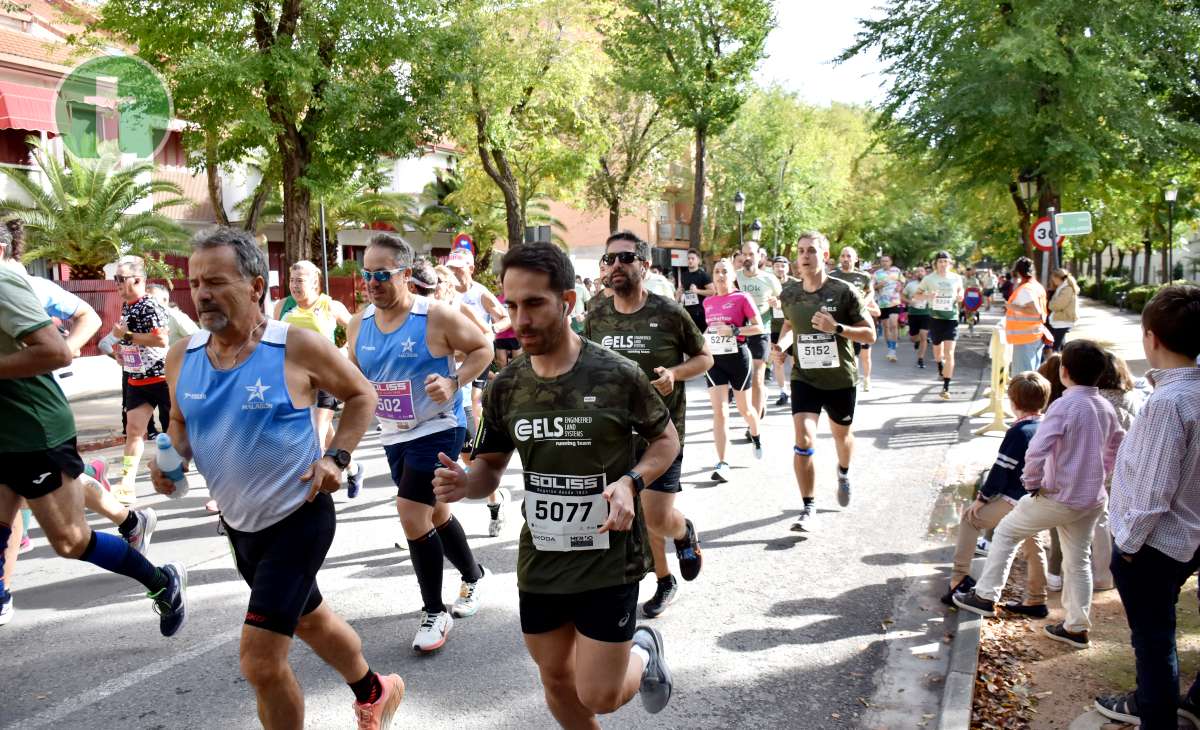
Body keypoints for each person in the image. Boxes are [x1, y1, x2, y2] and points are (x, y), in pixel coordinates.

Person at [149, 227, 402, 729]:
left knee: (260, 662)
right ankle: (376, 690)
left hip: (299, 517)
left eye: (217, 281)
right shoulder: (183, 357)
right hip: (241, 527)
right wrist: (168, 460)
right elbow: (179, 423)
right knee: (313, 620)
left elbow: (361, 395)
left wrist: (337, 458)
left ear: (256, 288)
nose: (202, 293)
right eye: (197, 282)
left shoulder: (295, 347)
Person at [432, 242, 678, 726]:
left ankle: (644, 652)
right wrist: (465, 484)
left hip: (610, 557)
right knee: (558, 681)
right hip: (543, 558)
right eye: (511, 305)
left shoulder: (616, 375)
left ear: (567, 302)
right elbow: (490, 468)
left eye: (534, 303)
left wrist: (631, 482)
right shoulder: (507, 385)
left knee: (601, 694)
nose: (519, 319)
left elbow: (665, 440)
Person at [0, 265, 185, 633]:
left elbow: (56, 350)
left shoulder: (4, 283)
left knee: (70, 542)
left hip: (32, 433)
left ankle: (162, 581)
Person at [347, 234, 494, 653]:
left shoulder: (436, 316)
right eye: (366, 275)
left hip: (438, 428)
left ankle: (434, 610)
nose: (372, 283)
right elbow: (354, 377)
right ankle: (474, 576)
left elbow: (482, 348)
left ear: (406, 274)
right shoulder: (360, 324)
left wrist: (454, 381)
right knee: (437, 513)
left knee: (411, 512)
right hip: (393, 433)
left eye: (382, 274)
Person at [954, 340, 1125, 650]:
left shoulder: (1063, 405)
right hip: (1092, 498)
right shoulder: (1105, 407)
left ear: (1064, 371)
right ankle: (1076, 627)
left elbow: (1037, 449)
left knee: (1005, 532)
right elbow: (1116, 444)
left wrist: (1032, 482)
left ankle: (985, 595)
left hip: (1058, 495)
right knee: (1078, 561)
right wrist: (1103, 472)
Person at [584, 231, 711, 619]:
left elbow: (705, 357)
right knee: (633, 512)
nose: (616, 266)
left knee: (656, 517)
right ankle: (662, 579)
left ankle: (684, 531)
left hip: (662, 434)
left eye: (625, 258)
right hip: (614, 434)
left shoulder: (668, 312)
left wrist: (674, 373)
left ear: (644, 264)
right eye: (609, 260)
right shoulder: (595, 313)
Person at [1094, 285, 1200, 728]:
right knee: (1158, 638)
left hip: (1156, 543)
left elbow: (1153, 491)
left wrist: (1130, 545)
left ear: (1151, 337)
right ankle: (1164, 704)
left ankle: (1157, 717)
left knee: (1154, 641)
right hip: (1189, 536)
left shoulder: (1168, 404)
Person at [773, 232, 876, 529]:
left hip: (840, 378)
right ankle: (808, 506)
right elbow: (792, 325)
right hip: (805, 377)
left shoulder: (844, 291)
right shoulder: (789, 294)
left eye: (812, 251)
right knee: (803, 439)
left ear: (825, 256)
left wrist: (838, 327)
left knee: (842, 437)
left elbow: (870, 334)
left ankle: (843, 471)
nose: (805, 256)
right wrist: (782, 347)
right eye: (801, 251)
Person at [940, 372, 1051, 617]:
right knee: (1033, 543)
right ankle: (1037, 598)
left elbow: (1001, 471)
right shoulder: (1047, 426)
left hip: (1014, 498)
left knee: (970, 519)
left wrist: (982, 499)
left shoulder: (1018, 433)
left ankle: (958, 579)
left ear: (1013, 402)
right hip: (1037, 499)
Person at [272, 261, 361, 495]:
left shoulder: (329, 305)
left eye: (300, 281)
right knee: (323, 429)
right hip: (297, 379)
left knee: (317, 434)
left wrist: (342, 352)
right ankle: (353, 468)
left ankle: (312, 493)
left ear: (314, 282)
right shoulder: (281, 307)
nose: (294, 286)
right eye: (292, 280)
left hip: (326, 376)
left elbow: (357, 330)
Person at [110, 255, 171, 504]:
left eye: (120, 279)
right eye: (115, 279)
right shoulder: (127, 306)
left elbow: (161, 340)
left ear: (137, 279)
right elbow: (129, 339)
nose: (116, 284)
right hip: (137, 378)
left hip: (160, 377)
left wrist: (127, 336)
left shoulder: (150, 305)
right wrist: (121, 350)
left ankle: (204, 477)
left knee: (175, 431)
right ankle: (127, 483)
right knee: (134, 431)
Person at [703, 258, 766, 483]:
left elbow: (758, 327)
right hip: (715, 361)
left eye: (724, 272)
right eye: (717, 271)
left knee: (745, 409)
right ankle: (723, 462)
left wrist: (735, 329)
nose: (720, 275)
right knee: (720, 412)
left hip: (739, 357)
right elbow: (708, 330)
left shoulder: (742, 297)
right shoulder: (708, 302)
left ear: (732, 276)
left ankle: (756, 435)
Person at [735, 239, 782, 426]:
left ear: (760, 256)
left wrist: (777, 303)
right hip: (739, 331)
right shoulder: (735, 276)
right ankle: (759, 400)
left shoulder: (769, 278)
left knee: (757, 377)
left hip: (761, 330)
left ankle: (753, 425)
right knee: (742, 378)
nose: (747, 257)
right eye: (744, 254)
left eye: (751, 254)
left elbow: (781, 299)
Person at [830, 247, 880, 389]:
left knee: (864, 354)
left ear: (856, 259)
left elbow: (870, 291)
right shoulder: (833, 275)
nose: (846, 259)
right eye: (843, 256)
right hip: (840, 318)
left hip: (859, 319)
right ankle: (849, 379)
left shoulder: (863, 276)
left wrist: (865, 302)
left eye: (849, 256)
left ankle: (866, 378)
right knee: (846, 352)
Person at [918, 251, 965, 400]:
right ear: (935, 263)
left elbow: (960, 291)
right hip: (936, 318)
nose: (943, 264)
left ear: (950, 263)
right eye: (940, 261)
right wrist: (927, 296)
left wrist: (960, 296)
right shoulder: (929, 279)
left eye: (946, 261)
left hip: (952, 318)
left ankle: (946, 387)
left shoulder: (956, 278)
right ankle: (940, 366)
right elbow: (916, 295)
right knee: (938, 353)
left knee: (949, 353)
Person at [1005, 256, 1048, 375]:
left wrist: (1013, 307)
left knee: (1024, 376)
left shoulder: (1026, 289)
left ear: (1018, 272)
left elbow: (1035, 311)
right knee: (1033, 374)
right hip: (1035, 334)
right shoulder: (1037, 286)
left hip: (1025, 337)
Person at [769, 255, 798, 405]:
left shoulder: (796, 284)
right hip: (774, 326)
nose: (780, 269)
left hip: (792, 327)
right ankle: (783, 391)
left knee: (794, 361)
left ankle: (795, 390)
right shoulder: (768, 282)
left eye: (783, 265)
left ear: (788, 267)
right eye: (777, 266)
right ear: (772, 268)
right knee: (777, 360)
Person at [872, 254, 904, 362]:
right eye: (883, 261)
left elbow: (902, 281)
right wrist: (878, 286)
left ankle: (892, 350)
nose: (885, 263)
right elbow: (872, 287)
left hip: (894, 301)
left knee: (893, 325)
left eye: (887, 261)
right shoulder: (877, 274)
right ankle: (890, 347)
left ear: (891, 262)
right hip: (882, 303)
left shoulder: (896, 271)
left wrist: (900, 286)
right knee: (886, 327)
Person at [676, 249, 714, 335]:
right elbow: (682, 289)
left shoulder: (703, 275)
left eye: (693, 258)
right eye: (688, 258)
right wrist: (678, 294)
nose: (690, 260)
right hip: (687, 311)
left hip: (700, 312)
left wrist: (697, 291)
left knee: (700, 337)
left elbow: (712, 291)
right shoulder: (684, 275)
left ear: (698, 261)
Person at [902, 265, 931, 369]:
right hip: (913, 313)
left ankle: (920, 359)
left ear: (925, 273)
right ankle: (917, 341)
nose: (920, 273)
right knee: (913, 337)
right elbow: (902, 296)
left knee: (924, 335)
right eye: (917, 272)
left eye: (921, 271)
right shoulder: (910, 285)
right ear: (915, 274)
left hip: (926, 313)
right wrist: (910, 302)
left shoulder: (929, 285)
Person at [1046, 268, 1079, 354]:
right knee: (1060, 347)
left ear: (1057, 278)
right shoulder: (1063, 288)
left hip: (1062, 321)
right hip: (1061, 321)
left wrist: (1050, 304)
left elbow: (1057, 305)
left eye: (1053, 278)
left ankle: (1056, 366)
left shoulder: (1066, 289)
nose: (1052, 281)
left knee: (1056, 349)